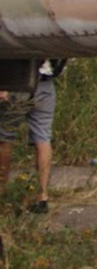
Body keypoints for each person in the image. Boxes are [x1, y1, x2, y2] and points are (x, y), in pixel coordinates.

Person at [0, 59, 63, 213]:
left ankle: (2, 191)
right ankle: (42, 196)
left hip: (17, 83)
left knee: (5, 137)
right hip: (45, 84)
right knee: (43, 138)